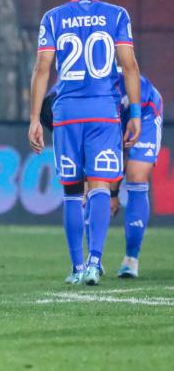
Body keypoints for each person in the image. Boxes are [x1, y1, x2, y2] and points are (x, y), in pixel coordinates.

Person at [28, 0, 141, 286]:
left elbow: (42, 69)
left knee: (72, 192)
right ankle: (95, 262)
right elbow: (130, 66)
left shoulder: (53, 17)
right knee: (101, 187)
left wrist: (35, 118)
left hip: (67, 114)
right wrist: (134, 114)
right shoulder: (117, 15)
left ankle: (77, 267)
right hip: (104, 112)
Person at [43, 73, 163, 279]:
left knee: (136, 174)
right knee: (93, 181)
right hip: (105, 116)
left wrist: (114, 193)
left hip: (143, 110)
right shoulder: (62, 93)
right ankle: (93, 260)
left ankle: (131, 259)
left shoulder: (92, 94)